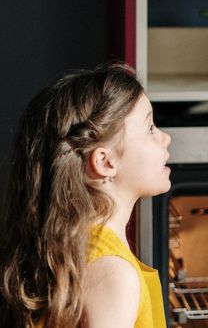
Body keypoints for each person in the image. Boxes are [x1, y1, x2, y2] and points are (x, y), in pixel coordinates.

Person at [0, 63, 170, 328]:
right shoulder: (112, 273)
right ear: (105, 162)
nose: (165, 138)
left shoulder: (81, 243)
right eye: (150, 128)